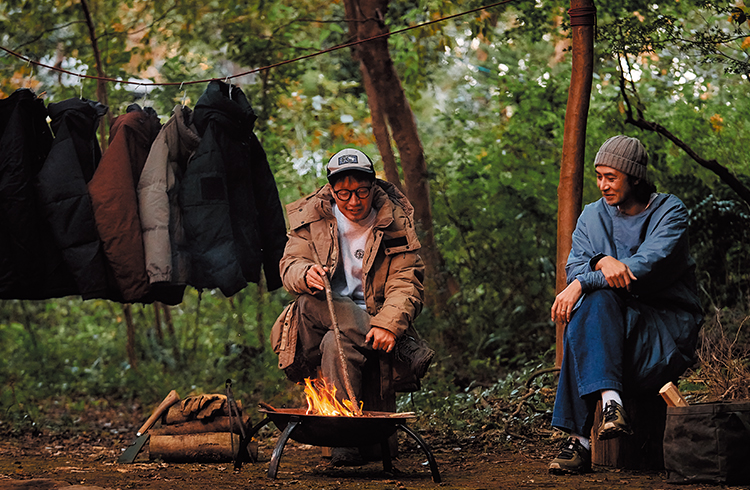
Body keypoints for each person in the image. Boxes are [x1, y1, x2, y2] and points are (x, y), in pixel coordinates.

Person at [548, 135, 703, 474]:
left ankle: (579, 441)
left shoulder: (669, 211)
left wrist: (584, 280)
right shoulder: (592, 216)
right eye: (599, 176)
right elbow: (575, 265)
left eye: (611, 177)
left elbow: (645, 266)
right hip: (611, 326)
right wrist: (601, 261)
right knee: (595, 306)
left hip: (663, 327)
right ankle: (612, 403)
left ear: (635, 177)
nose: (603, 185)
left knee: (588, 311)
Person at [271, 148, 431, 464]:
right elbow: (289, 264)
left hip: (374, 318)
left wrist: (388, 323)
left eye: (361, 192)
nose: (354, 202)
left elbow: (406, 281)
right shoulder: (311, 217)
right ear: (331, 190)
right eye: (344, 194)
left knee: (337, 342)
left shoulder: (394, 221)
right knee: (311, 301)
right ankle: (402, 349)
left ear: (373, 186)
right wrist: (305, 273)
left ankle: (344, 441)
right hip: (317, 313)